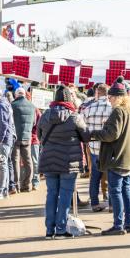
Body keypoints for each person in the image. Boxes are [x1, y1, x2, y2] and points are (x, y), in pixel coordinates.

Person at [38, 85, 91, 239]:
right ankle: (61, 229)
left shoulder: (45, 115)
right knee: (65, 196)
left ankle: (49, 230)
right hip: (69, 162)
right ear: (69, 99)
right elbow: (86, 136)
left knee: (51, 194)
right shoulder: (74, 117)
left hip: (49, 161)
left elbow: (40, 137)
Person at [91, 80, 130, 235]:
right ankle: (129, 223)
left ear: (118, 97)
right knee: (126, 190)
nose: (109, 99)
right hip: (128, 157)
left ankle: (118, 225)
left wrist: (94, 133)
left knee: (116, 191)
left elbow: (112, 135)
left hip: (117, 158)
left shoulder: (118, 111)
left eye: (111, 97)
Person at [83, 83, 112, 211]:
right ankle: (112, 203)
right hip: (109, 148)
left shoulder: (89, 108)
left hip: (94, 147)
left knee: (95, 176)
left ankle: (94, 203)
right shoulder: (112, 108)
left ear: (97, 93)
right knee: (111, 177)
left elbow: (82, 126)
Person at [11, 88, 35, 194]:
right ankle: (27, 185)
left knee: (15, 161)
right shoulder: (31, 106)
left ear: (16, 95)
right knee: (28, 161)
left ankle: (16, 186)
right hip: (27, 137)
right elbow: (34, 122)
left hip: (15, 137)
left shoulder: (12, 105)